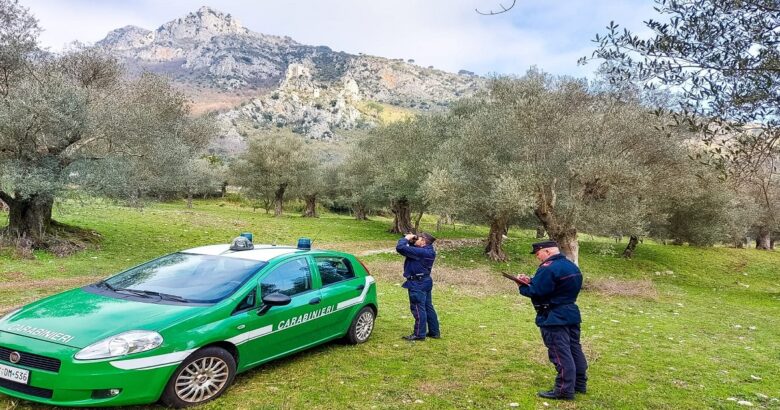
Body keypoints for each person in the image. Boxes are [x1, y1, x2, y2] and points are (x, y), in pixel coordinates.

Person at [516, 240, 588, 400]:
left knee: (560, 352)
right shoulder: (571, 266)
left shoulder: (548, 268)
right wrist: (532, 280)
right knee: (574, 349)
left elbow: (536, 291)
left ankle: (564, 390)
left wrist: (521, 285)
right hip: (570, 312)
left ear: (547, 251)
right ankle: (579, 384)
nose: (537, 257)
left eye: (538, 254)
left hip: (553, 316)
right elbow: (556, 286)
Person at [396, 232, 440, 341]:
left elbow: (400, 248)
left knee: (417, 308)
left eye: (418, 239)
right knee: (428, 307)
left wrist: (406, 239)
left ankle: (419, 334)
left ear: (423, 241)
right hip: (425, 281)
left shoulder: (421, 252)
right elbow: (412, 251)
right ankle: (434, 332)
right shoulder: (429, 251)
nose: (416, 240)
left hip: (417, 283)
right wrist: (412, 241)